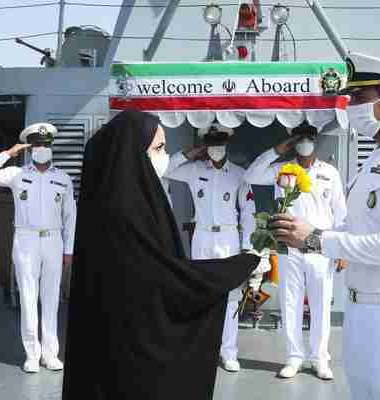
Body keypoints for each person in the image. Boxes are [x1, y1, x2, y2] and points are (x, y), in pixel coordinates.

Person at [270, 52, 380, 399]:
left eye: (360, 97)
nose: (351, 106)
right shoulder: (379, 157)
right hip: (361, 313)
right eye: (349, 97)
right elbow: (358, 228)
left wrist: (317, 240)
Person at [62, 110, 259, 400]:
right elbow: (166, 279)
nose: (164, 155)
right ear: (133, 152)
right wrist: (241, 265)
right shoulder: (126, 211)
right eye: (159, 148)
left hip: (120, 341)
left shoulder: (122, 198)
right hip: (132, 352)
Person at [244, 121, 347, 380]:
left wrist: (342, 249)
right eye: (299, 138)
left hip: (321, 248)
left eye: (309, 137)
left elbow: (341, 213)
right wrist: (280, 149)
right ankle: (294, 357)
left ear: (316, 139)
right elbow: (251, 175)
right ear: (293, 141)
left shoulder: (329, 173)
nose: (305, 142)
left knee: (321, 304)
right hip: (289, 246)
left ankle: (319, 358)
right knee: (290, 303)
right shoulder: (282, 169)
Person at [0, 123, 77, 373]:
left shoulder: (62, 179)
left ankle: (50, 353)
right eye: (37, 144)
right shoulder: (16, 174)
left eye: (46, 144)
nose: (42, 148)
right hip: (26, 240)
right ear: (31, 148)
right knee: (29, 297)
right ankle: (32, 354)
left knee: (52, 299)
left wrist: (69, 249)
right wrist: (9, 153)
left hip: (54, 241)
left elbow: (70, 217)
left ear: (51, 147)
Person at [164, 123, 256, 372]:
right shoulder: (193, 170)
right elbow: (164, 168)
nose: (216, 148)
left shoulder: (240, 174)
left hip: (228, 238)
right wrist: (189, 153)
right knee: (200, 292)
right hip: (202, 237)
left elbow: (248, 212)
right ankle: (201, 348)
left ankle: (229, 352)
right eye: (211, 144)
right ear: (206, 145)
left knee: (232, 295)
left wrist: (248, 247)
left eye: (220, 144)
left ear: (227, 145)